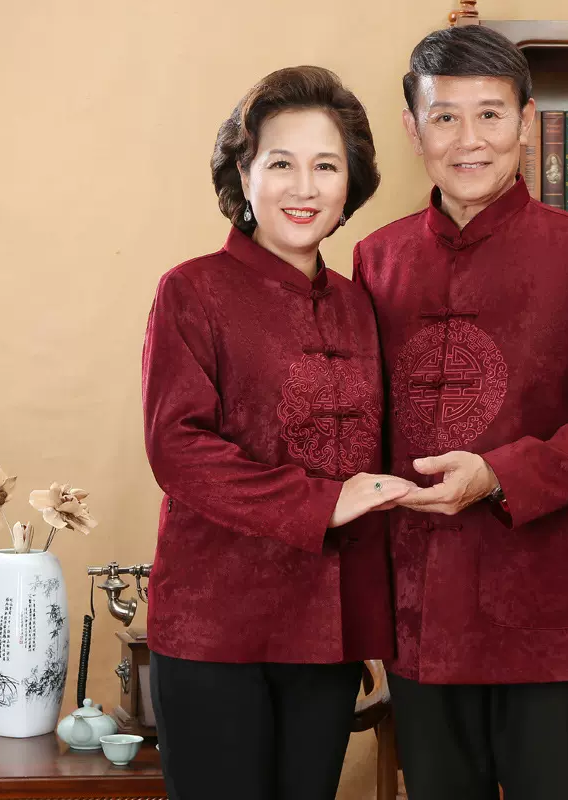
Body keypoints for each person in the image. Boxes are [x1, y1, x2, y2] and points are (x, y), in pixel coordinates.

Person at [353, 26, 568, 800]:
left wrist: (496, 474)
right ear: (413, 127)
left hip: (549, 610)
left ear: (526, 122)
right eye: (445, 117)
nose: (469, 140)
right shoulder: (376, 258)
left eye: (490, 115)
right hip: (422, 610)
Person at [142, 66, 413, 800]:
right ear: (244, 174)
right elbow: (179, 450)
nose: (304, 187)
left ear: (350, 183)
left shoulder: (361, 306)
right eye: (281, 163)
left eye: (326, 166)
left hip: (325, 634)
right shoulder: (191, 290)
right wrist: (324, 502)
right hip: (215, 626)